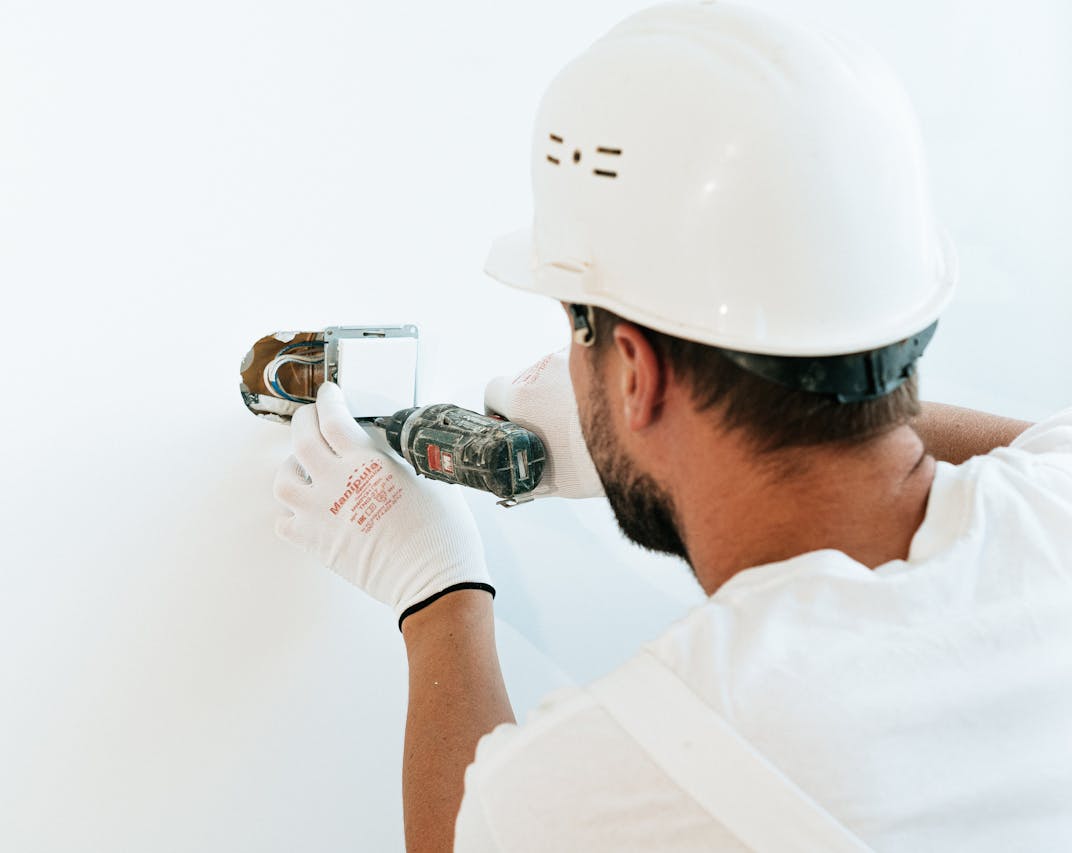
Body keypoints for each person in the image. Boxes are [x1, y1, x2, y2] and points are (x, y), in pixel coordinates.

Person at [271, 3, 1072, 850]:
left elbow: (468, 834)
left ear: (637, 370)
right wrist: (627, 424)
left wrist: (435, 592)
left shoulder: (642, 765)